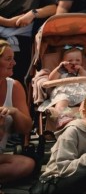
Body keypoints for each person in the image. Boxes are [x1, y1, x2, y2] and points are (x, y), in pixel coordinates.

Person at [0, 39, 36, 183]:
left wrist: (14, 112)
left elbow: (26, 128)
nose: (14, 63)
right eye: (8, 59)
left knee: (26, 164)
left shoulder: (14, 86)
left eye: (13, 59)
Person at [39, 45, 86, 128]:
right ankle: (62, 117)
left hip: (80, 91)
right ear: (63, 62)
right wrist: (59, 68)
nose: (74, 62)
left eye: (78, 60)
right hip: (64, 91)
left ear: (82, 62)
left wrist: (82, 71)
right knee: (62, 100)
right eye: (70, 60)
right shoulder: (61, 71)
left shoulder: (81, 72)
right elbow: (51, 79)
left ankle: (83, 114)